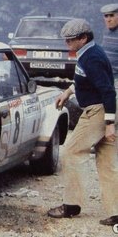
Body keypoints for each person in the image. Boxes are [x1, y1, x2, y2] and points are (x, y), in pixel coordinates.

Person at [47, 19, 118, 226]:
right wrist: (68, 92)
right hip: (104, 111)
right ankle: (116, 212)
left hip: (97, 111)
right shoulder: (87, 53)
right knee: (107, 162)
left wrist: (110, 123)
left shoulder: (92, 58)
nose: (67, 44)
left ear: (83, 38)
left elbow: (107, 90)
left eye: (70, 40)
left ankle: (71, 205)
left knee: (71, 152)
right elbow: (83, 80)